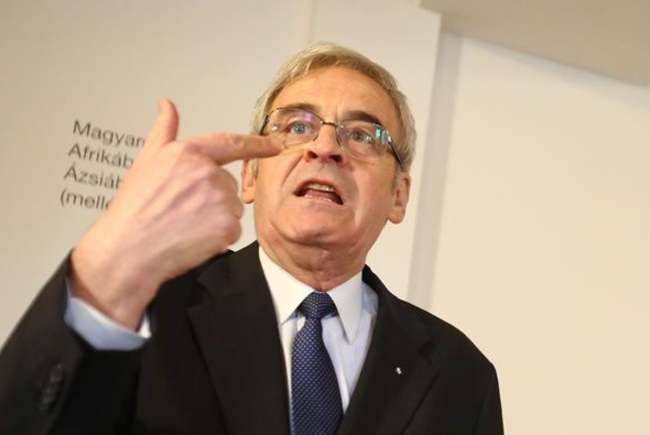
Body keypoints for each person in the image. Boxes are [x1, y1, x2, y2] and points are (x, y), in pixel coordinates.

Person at [0, 43, 503, 434]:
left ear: (399, 195)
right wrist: (111, 258)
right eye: (297, 126)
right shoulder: (148, 307)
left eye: (361, 135)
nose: (325, 146)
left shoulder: (460, 375)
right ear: (250, 177)